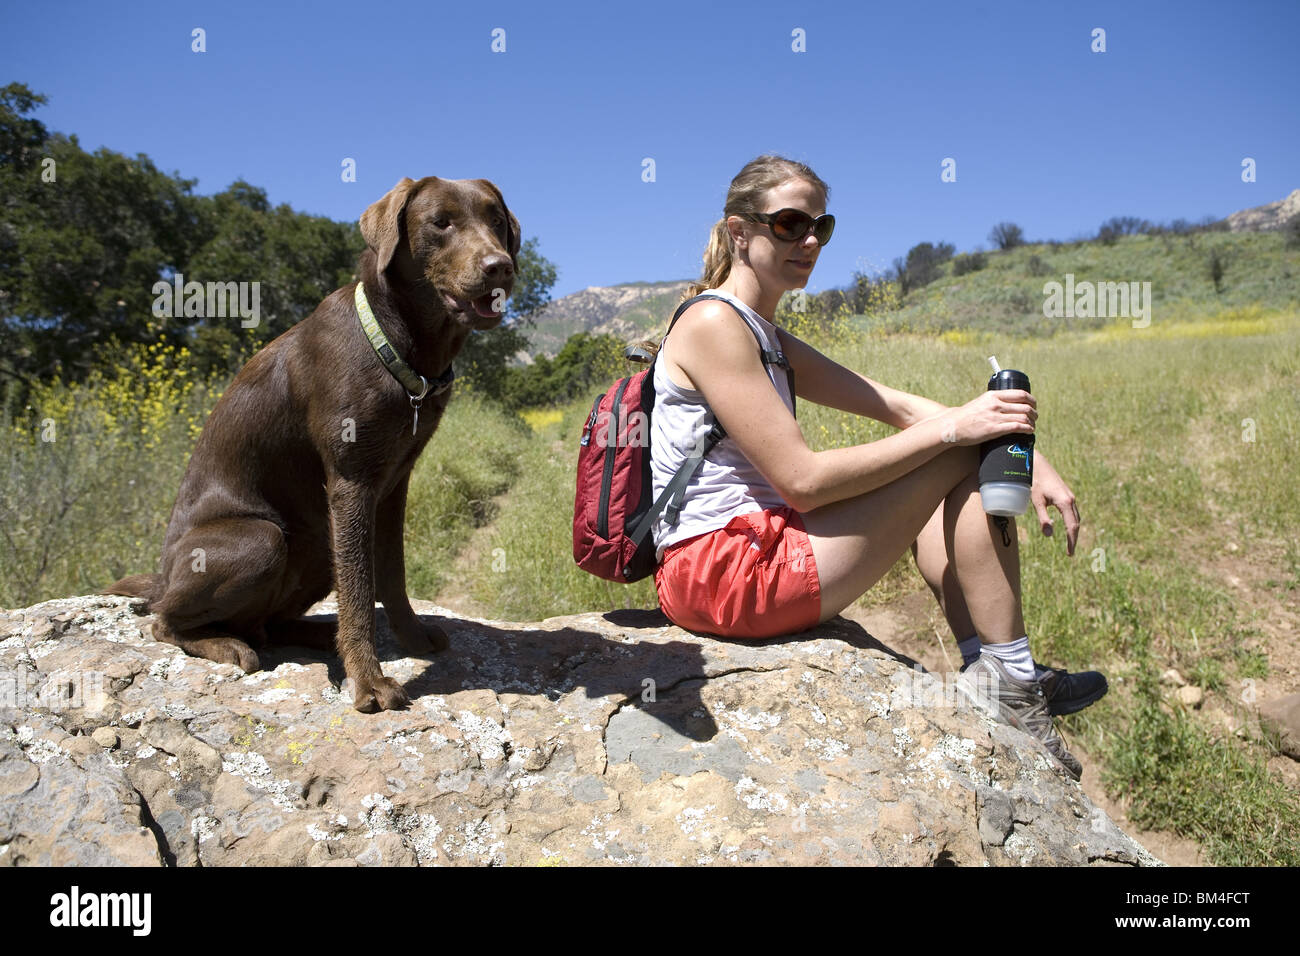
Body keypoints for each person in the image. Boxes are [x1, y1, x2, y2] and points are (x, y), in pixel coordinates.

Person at [648, 154, 1106, 779]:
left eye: (820, 227)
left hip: (742, 554)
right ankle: (1012, 677)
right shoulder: (712, 324)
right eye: (788, 224)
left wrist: (1025, 448)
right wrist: (965, 430)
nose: (808, 241)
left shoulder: (763, 335)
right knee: (958, 448)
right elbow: (802, 482)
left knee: (960, 449)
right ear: (739, 232)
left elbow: (891, 403)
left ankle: (999, 669)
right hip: (726, 572)